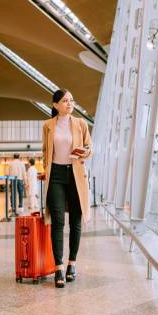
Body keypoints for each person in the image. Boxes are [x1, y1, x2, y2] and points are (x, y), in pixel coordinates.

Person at [42, 89, 92, 288]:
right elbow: (45, 151)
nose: (69, 104)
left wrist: (83, 152)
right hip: (55, 175)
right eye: (64, 101)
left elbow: (89, 148)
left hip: (76, 174)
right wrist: (45, 169)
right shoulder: (48, 125)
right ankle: (59, 267)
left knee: (75, 220)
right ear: (55, 105)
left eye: (71, 100)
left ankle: (72, 263)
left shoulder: (81, 124)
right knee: (58, 221)